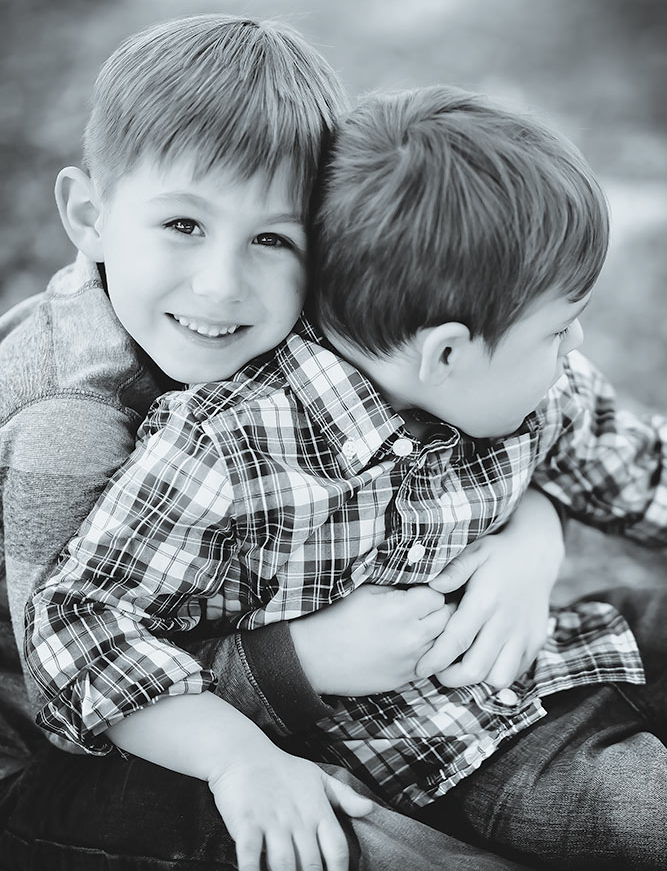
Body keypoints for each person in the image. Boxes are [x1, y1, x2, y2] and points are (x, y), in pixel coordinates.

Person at [26, 83, 667, 869]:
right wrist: (237, 755)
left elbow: (637, 469)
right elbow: (78, 633)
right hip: (460, 752)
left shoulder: (517, 379)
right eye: (559, 330)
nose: (574, 346)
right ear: (446, 353)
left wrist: (536, 537)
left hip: (569, 646)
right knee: (643, 810)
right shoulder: (224, 449)